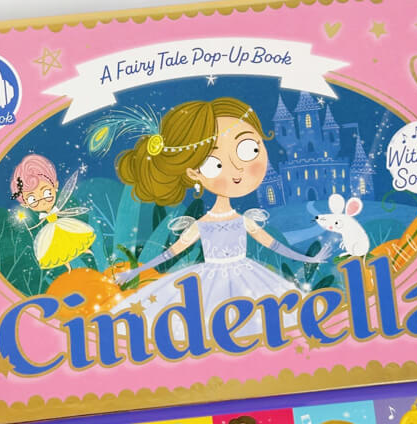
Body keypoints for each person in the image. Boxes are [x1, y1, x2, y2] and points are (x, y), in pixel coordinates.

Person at [110, 99, 330, 336]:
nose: (236, 169)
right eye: (214, 164)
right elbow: (171, 253)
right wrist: (135, 272)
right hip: (209, 281)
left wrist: (308, 258)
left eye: (248, 150)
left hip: (249, 277)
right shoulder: (201, 224)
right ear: (194, 173)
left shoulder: (244, 221)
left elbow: (273, 245)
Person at [10, 153, 95, 271]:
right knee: (56, 249)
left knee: (72, 238)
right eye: (32, 199)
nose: (42, 201)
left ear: (55, 186)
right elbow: (38, 224)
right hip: (50, 232)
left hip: (63, 225)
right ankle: (68, 266)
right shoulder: (41, 217)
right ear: (25, 204)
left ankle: (86, 250)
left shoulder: (57, 206)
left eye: (46, 193)